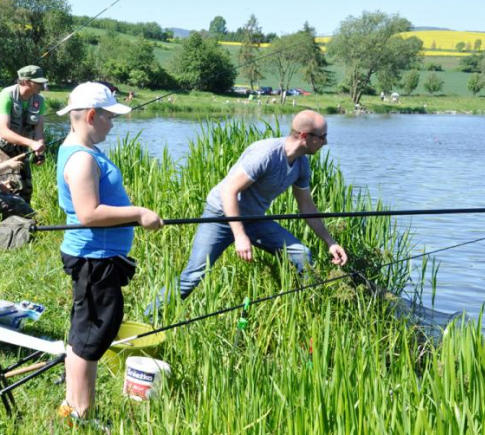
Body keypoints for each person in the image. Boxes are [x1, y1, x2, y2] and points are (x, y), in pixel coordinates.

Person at [147, 110, 347, 320]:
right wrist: (240, 236)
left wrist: (329, 242)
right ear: (305, 136)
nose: (325, 143)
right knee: (194, 274)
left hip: (254, 219)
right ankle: (149, 318)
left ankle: (309, 314)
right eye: (322, 137)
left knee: (302, 255)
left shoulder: (301, 164)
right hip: (220, 215)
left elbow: (306, 206)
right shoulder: (266, 154)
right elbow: (228, 191)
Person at [55, 82, 163, 426]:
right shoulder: (83, 158)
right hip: (95, 258)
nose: (112, 124)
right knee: (94, 335)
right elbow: (88, 214)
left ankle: (73, 406)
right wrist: (138, 213)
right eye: (109, 117)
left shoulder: (78, 149)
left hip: (97, 257)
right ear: (90, 116)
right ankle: (81, 414)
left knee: (83, 333)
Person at [0, 65, 47, 204]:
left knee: (26, 186)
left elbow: (38, 130)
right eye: (38, 82)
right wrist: (32, 143)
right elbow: (4, 132)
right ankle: (7, 222)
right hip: (1, 143)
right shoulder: (6, 96)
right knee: (10, 184)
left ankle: (23, 220)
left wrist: (39, 151)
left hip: (22, 142)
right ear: (25, 81)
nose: (42, 85)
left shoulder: (39, 100)